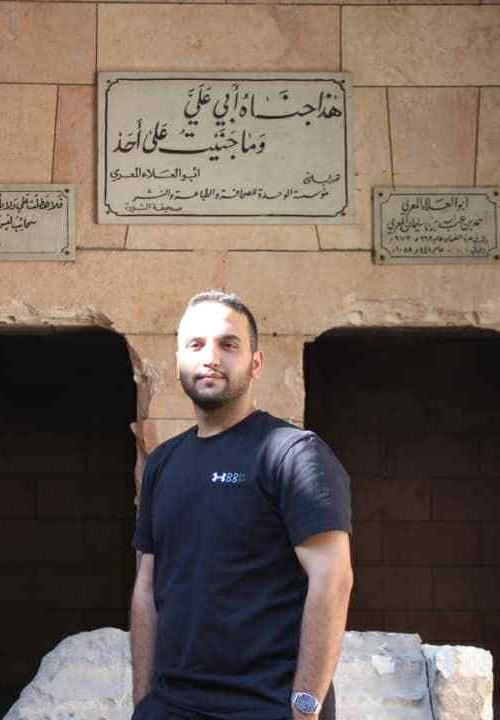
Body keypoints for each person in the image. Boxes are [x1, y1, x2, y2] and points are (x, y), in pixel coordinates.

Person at [130, 290, 354, 720]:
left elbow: (333, 581)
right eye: (196, 344)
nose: (211, 357)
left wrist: (305, 706)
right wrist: (143, 700)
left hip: (264, 706)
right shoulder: (163, 463)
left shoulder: (293, 454)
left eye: (228, 344)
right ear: (178, 361)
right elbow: (146, 587)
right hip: (172, 706)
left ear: (256, 363)